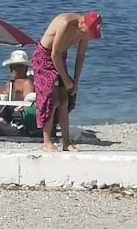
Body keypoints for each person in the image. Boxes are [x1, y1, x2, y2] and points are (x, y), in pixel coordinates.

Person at [33, 12, 99, 152]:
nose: (88, 35)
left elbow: (80, 56)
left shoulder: (85, 31)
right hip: (45, 57)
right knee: (52, 99)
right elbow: (54, 54)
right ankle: (47, 141)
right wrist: (65, 79)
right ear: (82, 23)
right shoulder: (65, 23)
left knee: (64, 100)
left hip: (60, 58)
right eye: (89, 31)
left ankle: (66, 142)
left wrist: (75, 82)